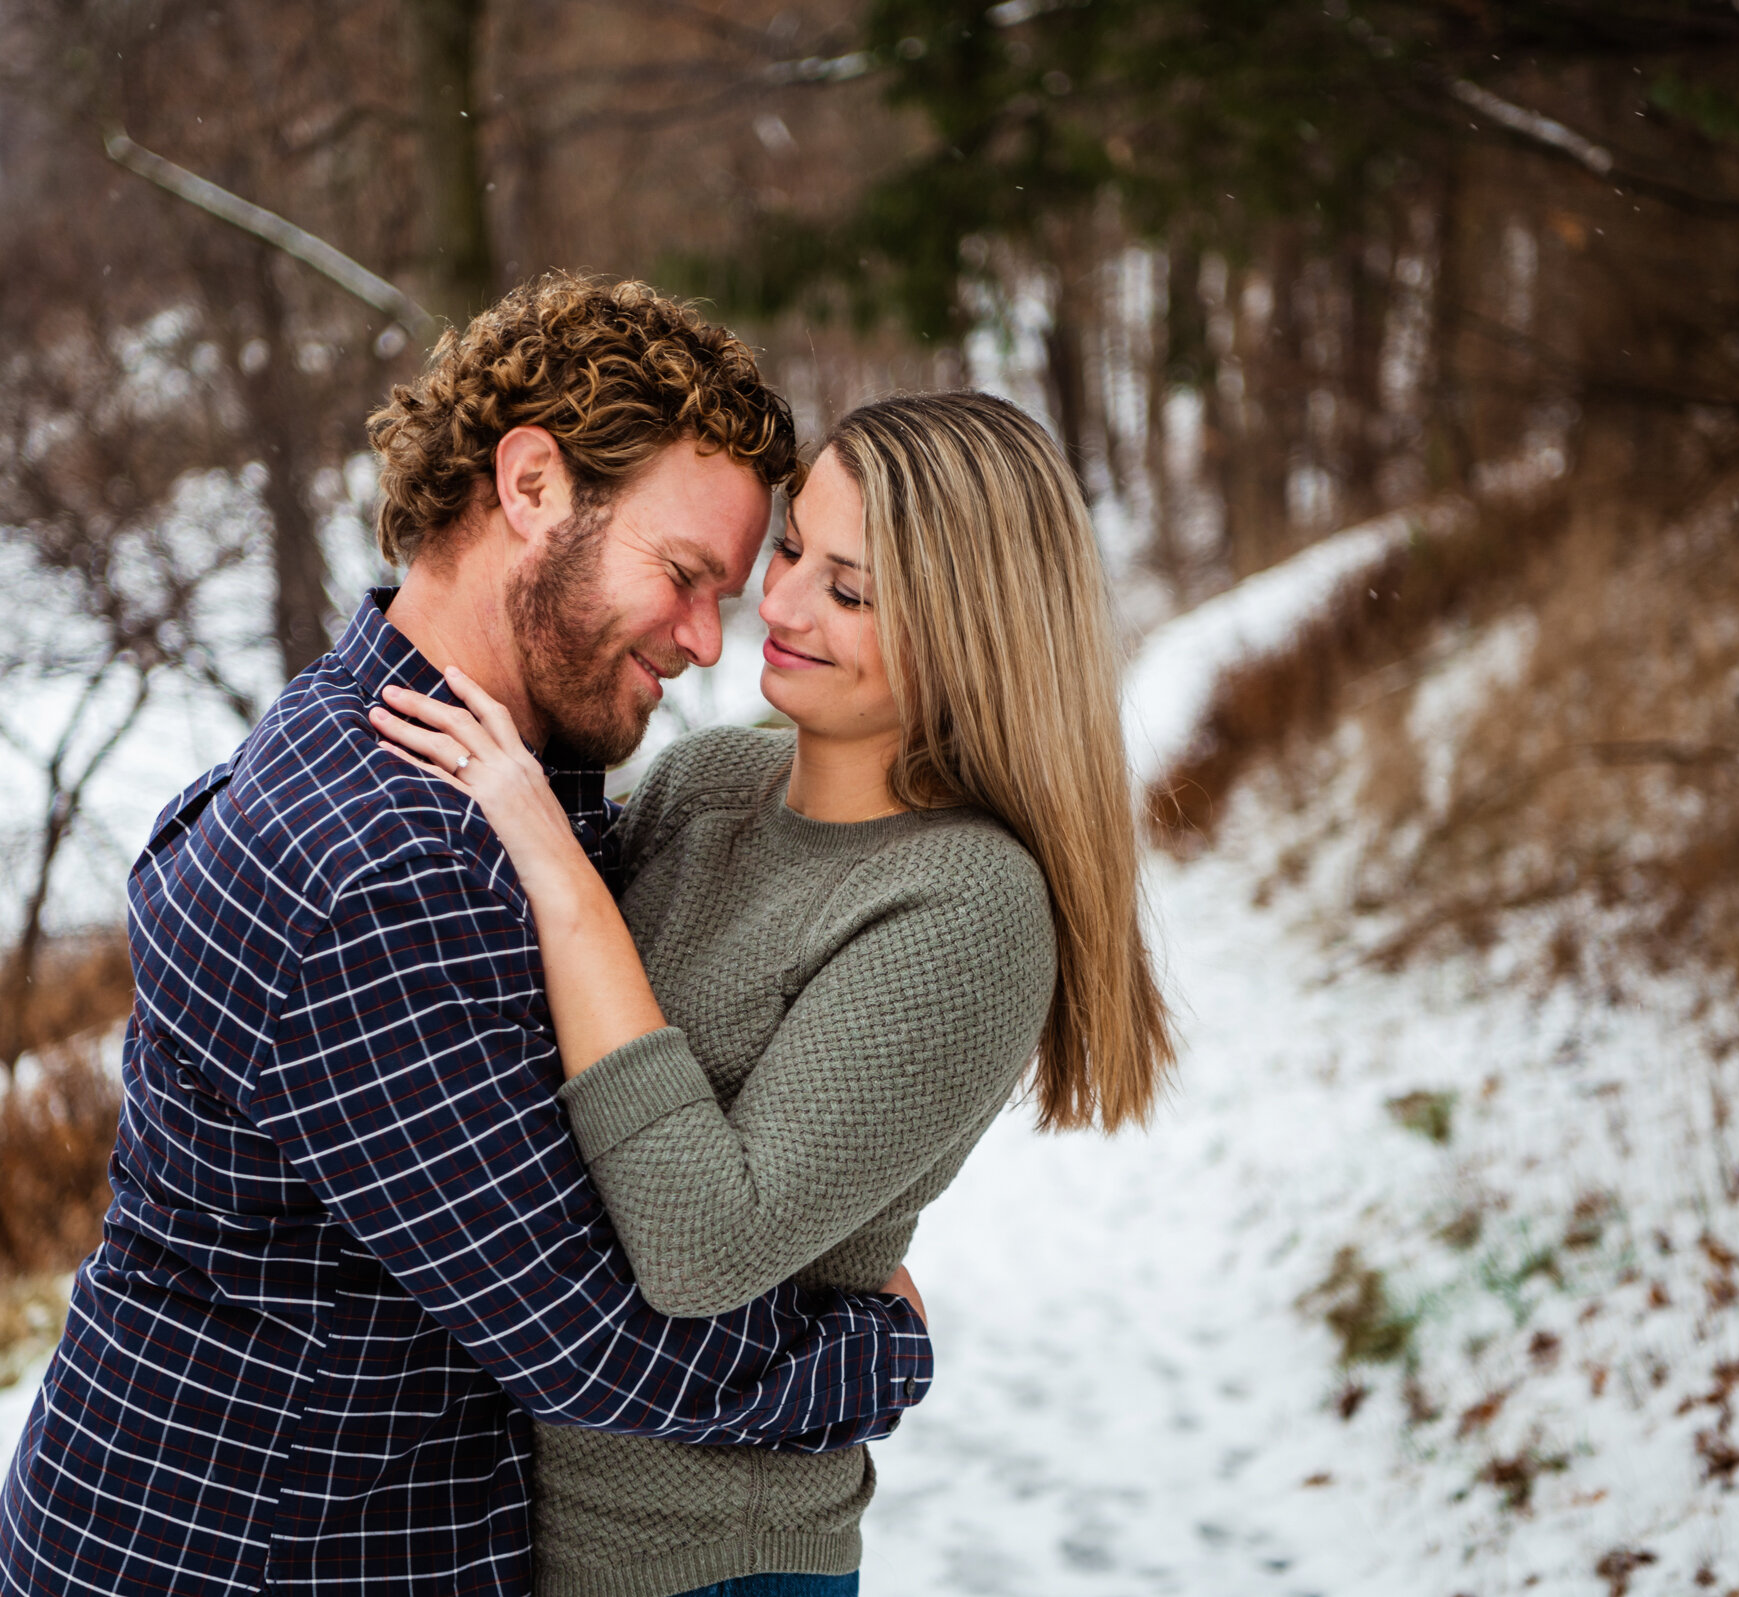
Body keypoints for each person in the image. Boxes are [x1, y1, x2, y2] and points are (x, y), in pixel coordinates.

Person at [0, 277, 935, 1597]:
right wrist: (873, 1349)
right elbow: (586, 1332)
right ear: (531, 485)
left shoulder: (483, 772)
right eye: (681, 574)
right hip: (247, 1558)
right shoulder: (382, 866)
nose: (709, 640)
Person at [372, 389, 1177, 1597]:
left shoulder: (967, 903)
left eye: (851, 591)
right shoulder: (706, 785)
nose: (781, 603)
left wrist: (559, 871)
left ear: (972, 635)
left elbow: (703, 1244)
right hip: (504, 1526)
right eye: (795, 546)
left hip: (707, 1561)